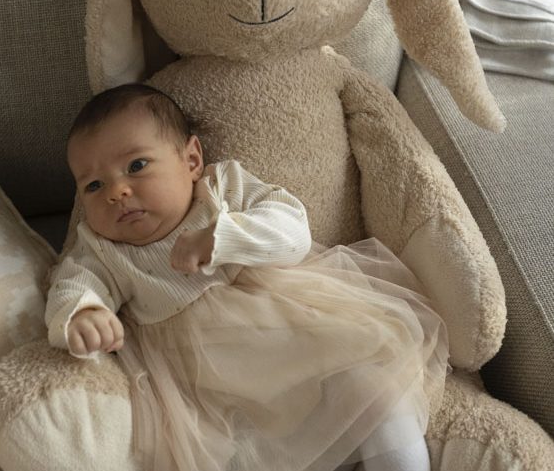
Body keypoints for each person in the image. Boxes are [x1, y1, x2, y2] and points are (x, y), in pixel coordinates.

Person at [45, 83, 449, 471]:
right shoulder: (102, 249)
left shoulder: (223, 190)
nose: (116, 191)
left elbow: (292, 230)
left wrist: (223, 238)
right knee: (232, 457)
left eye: (136, 166)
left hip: (302, 343)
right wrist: (84, 313)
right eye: (93, 185)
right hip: (211, 396)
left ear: (191, 160)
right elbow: (72, 285)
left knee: (376, 392)